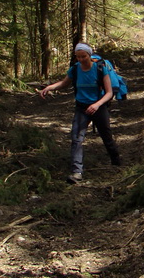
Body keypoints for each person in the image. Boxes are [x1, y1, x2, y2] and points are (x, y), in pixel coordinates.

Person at [40, 43, 121, 183]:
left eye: (84, 56)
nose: (81, 59)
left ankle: (116, 162)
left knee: (106, 136)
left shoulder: (100, 69)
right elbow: (64, 83)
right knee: (76, 138)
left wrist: (96, 105)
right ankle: (77, 171)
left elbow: (109, 93)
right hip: (81, 108)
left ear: (90, 55)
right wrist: (50, 88)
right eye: (78, 57)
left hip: (99, 107)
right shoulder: (75, 69)